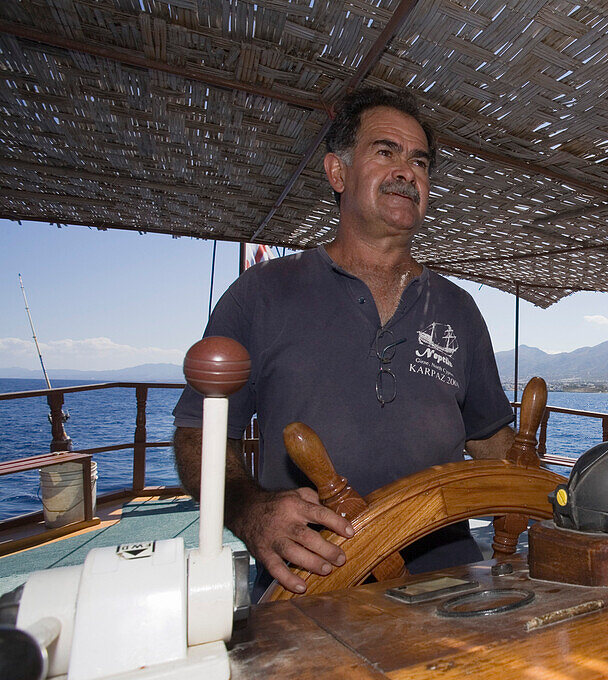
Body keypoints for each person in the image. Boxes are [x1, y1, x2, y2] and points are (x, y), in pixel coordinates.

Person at [173, 87, 515, 595]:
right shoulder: (262, 294)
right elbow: (197, 434)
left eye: (418, 162)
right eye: (385, 152)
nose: (406, 171)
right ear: (337, 173)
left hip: (450, 584)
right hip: (312, 587)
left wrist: (556, 491)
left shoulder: (458, 309)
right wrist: (248, 510)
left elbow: (491, 440)